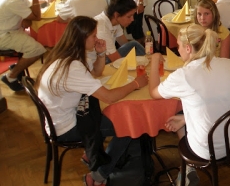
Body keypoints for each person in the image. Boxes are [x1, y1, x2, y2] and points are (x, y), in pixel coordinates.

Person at [37, 16, 148, 186]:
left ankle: (96, 154)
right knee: (130, 125)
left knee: (113, 112)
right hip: (65, 128)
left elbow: (96, 72)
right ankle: (99, 176)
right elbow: (109, 97)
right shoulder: (72, 67)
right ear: (81, 38)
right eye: (94, 36)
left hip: (61, 117)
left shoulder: (68, 56)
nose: (97, 38)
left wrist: (101, 53)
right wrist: (135, 84)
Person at [148, 24, 230, 186]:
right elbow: (222, 102)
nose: (178, 50)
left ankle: (188, 170)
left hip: (208, 149)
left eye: (178, 46)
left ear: (188, 48)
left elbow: (153, 93)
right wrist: (185, 119)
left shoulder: (184, 75)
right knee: (180, 117)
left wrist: (154, 62)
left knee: (178, 116)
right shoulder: (227, 64)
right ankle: (187, 170)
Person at [0, 0, 46, 91]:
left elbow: (29, 11)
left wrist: (27, 18)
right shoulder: (11, 0)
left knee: (36, 46)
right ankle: (10, 76)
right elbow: (37, 16)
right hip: (5, 35)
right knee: (38, 49)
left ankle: (16, 68)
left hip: (13, 30)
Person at [93, 0, 145, 64]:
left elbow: (125, 44)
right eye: (129, 16)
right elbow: (116, 59)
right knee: (134, 46)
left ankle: (149, 61)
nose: (132, 19)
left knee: (133, 45)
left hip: (107, 56)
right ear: (116, 15)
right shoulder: (102, 27)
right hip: (96, 63)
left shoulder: (114, 21)